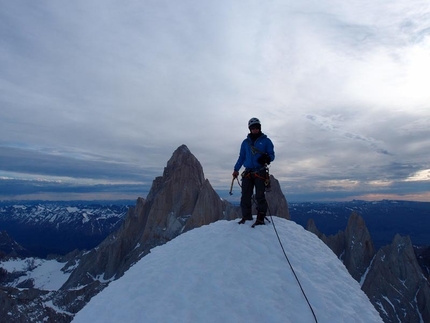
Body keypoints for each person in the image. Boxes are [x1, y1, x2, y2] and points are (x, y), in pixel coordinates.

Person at [233, 117, 275, 226]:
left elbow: (271, 155)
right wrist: (236, 169)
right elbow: (241, 157)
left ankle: (260, 217)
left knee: (260, 195)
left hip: (260, 171)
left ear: (259, 128)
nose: (255, 130)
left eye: (257, 128)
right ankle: (246, 217)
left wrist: (267, 159)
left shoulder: (266, 141)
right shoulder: (245, 143)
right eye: (253, 128)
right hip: (248, 172)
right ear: (250, 129)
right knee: (245, 195)